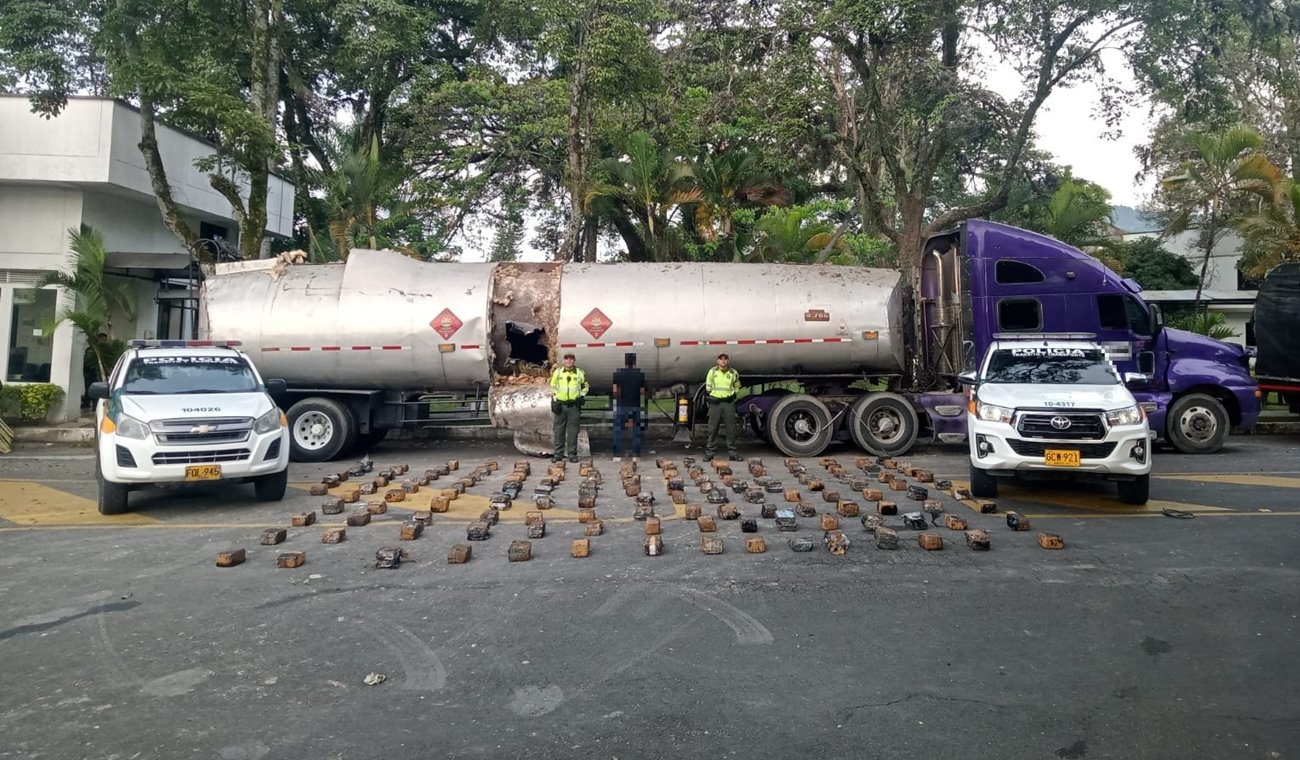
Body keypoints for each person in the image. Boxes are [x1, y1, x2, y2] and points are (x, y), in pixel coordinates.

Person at [548, 352, 589, 462]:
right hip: (560, 406)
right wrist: (555, 400)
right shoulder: (558, 372)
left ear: (574, 361)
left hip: (573, 406)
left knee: (573, 431)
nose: (569, 361)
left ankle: (572, 455)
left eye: (571, 359)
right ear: (563, 361)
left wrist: (581, 396)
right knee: (558, 431)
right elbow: (552, 386)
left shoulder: (580, 373)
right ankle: (558, 454)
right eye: (567, 359)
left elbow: (585, 386)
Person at [704, 353, 742, 461]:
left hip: (728, 403)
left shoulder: (733, 372)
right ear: (717, 361)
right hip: (715, 403)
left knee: (731, 428)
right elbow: (708, 387)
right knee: (713, 428)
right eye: (721, 359)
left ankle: (733, 453)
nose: (723, 361)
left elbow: (737, 385)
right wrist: (714, 396)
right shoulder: (713, 372)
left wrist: (733, 395)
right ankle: (710, 453)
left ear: (728, 361)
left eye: (725, 359)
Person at [611, 352, 647, 462]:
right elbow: (642, 391)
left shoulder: (618, 374)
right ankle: (636, 454)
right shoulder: (640, 374)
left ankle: (617, 454)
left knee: (618, 430)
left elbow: (615, 391)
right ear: (634, 362)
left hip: (622, 405)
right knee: (636, 431)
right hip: (635, 405)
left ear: (625, 362)